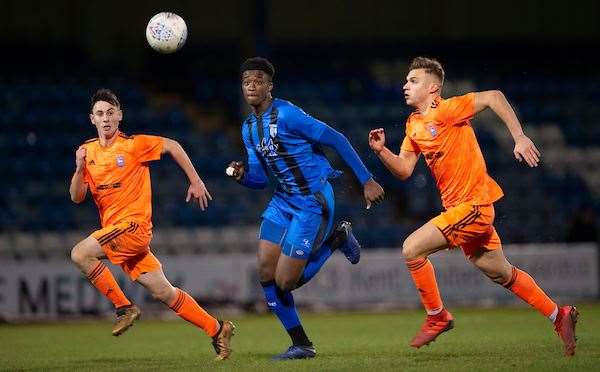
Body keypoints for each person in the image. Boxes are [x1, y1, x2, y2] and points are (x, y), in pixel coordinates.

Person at [368, 57, 578, 356]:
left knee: (411, 249)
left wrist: (519, 137)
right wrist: (381, 151)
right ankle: (560, 315)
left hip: (474, 204)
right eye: (406, 80)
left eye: (413, 81)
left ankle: (437, 315)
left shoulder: (448, 109)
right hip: (462, 210)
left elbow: (494, 96)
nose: (405, 85)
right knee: (500, 272)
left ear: (433, 88)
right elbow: (403, 170)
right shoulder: (413, 124)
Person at [227, 57, 385, 360]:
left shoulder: (288, 114)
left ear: (270, 87)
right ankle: (301, 343)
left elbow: (336, 139)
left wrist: (367, 179)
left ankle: (336, 239)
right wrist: (242, 176)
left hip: (311, 201)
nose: (251, 84)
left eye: (258, 79)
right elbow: (260, 180)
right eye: (246, 80)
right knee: (264, 270)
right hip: (281, 200)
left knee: (286, 282)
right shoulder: (249, 129)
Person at [69, 88, 235, 361]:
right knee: (164, 292)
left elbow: (173, 145)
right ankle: (218, 330)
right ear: (92, 119)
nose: (106, 118)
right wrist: (77, 169)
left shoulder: (134, 145)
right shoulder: (87, 152)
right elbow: (77, 197)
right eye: (100, 114)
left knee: (80, 254)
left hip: (133, 228)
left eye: (111, 112)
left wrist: (195, 180)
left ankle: (124, 308)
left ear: (120, 116)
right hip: (117, 234)